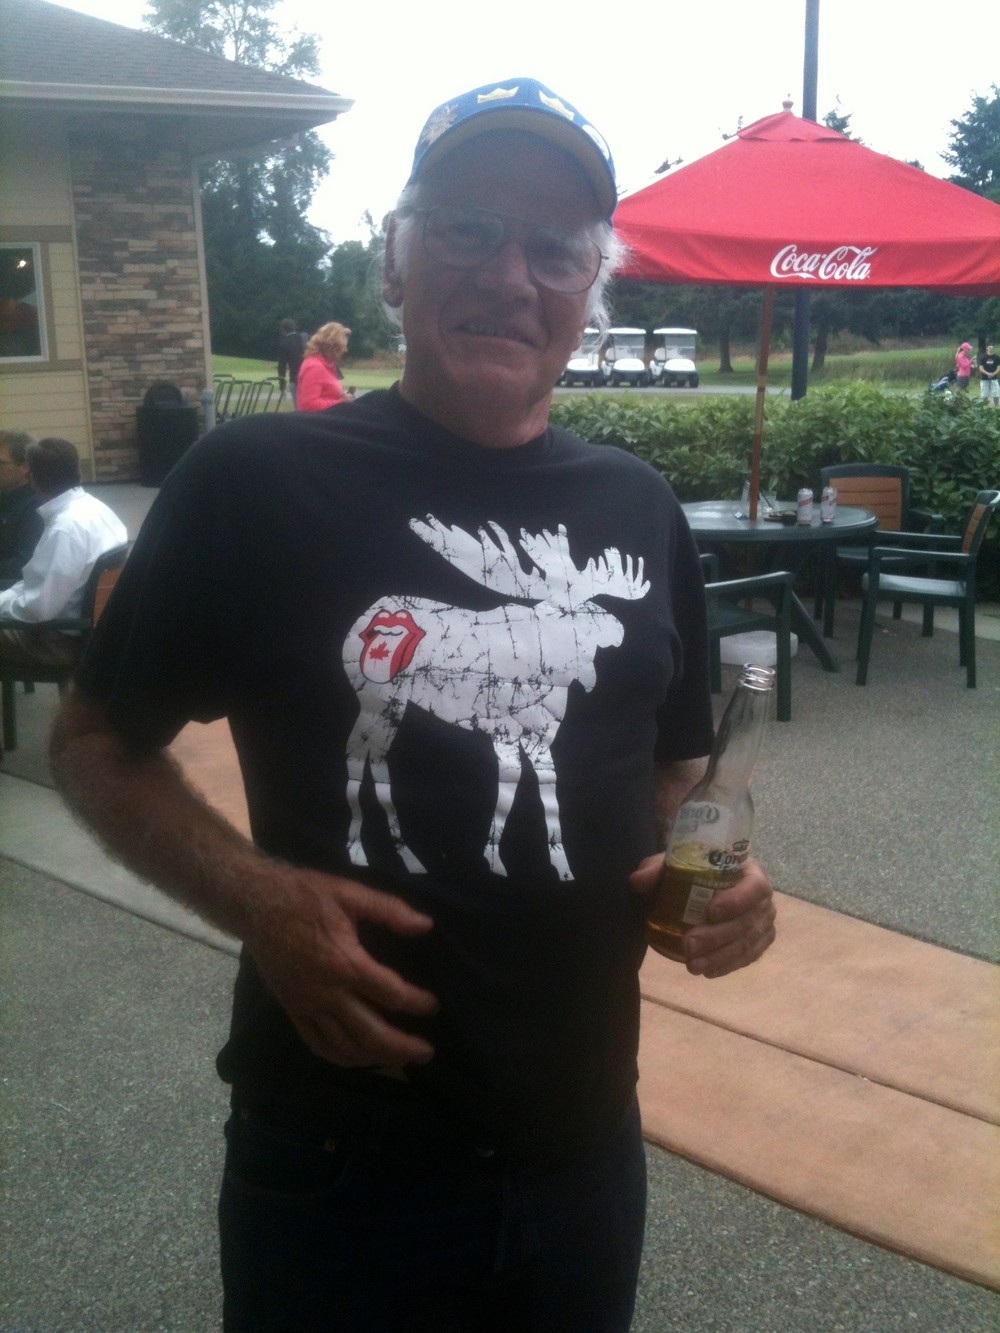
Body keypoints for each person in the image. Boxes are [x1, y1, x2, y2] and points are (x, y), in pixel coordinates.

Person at [48, 78, 776, 1331]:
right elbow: (92, 742)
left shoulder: (638, 508)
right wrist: (259, 899)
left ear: (589, 291)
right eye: (467, 230)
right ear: (394, 262)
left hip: (583, 1147)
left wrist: (721, 887)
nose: (511, 277)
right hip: (341, 1163)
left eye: (554, 249)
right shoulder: (255, 481)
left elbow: (669, 771)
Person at [0, 437, 127, 669]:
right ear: (79, 474)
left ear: (33, 480)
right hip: (96, 633)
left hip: (62, 642)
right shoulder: (98, 510)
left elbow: (38, 609)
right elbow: (37, 587)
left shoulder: (64, 529)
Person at [0, 429, 43, 587]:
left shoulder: (36, 506)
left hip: (16, 588)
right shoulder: (6, 496)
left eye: (0, 463)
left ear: (24, 466)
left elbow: (24, 565)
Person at [296, 321, 354, 410]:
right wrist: (341, 402)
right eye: (341, 348)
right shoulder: (315, 367)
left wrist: (342, 396)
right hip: (316, 418)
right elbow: (308, 405)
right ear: (332, 347)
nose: (345, 350)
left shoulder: (326, 365)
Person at [276, 318, 307, 405]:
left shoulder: (284, 343)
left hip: (295, 379)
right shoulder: (305, 338)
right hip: (309, 376)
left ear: (283, 329)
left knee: (299, 407)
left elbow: (282, 366)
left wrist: (282, 386)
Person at [978, 342, 999, 406]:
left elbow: (998, 367)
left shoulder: (997, 357)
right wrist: (988, 373)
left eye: (992, 348)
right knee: (984, 394)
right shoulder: (983, 357)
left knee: (996, 393)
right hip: (984, 378)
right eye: (990, 348)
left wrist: (993, 373)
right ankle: (984, 407)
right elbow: (980, 368)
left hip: (994, 378)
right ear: (987, 348)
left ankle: (996, 406)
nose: (991, 349)